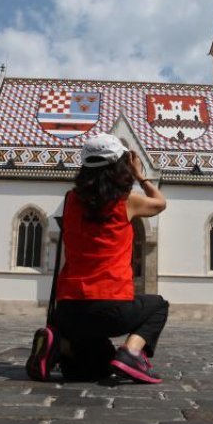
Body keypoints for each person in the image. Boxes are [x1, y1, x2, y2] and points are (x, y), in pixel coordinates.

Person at [27, 134, 168, 384]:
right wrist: (140, 175)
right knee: (158, 305)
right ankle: (132, 352)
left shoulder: (71, 201)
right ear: (120, 166)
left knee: (95, 368)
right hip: (109, 306)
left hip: (68, 311)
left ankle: (61, 344)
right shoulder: (127, 202)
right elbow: (160, 203)